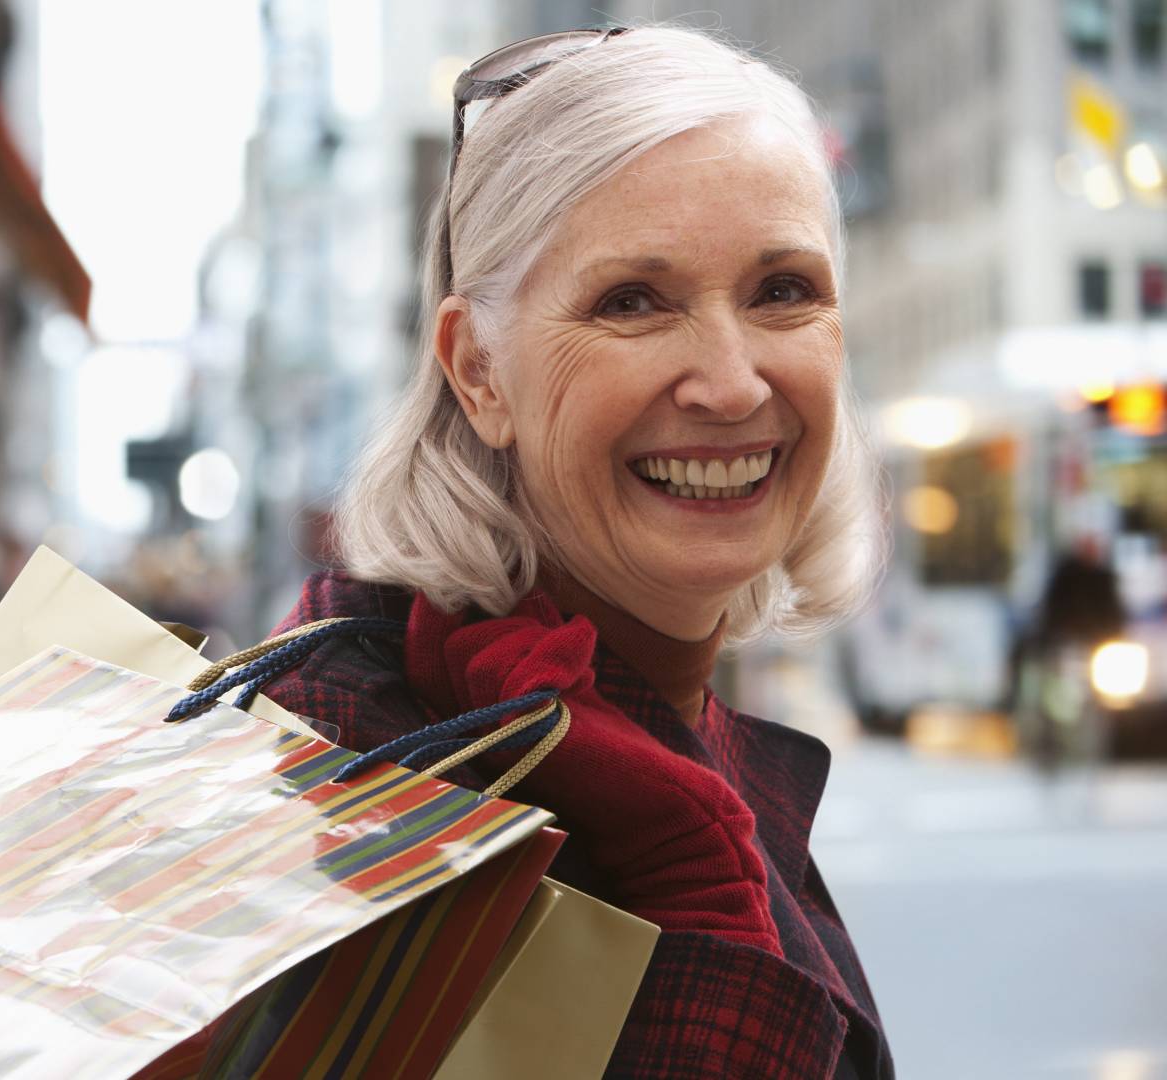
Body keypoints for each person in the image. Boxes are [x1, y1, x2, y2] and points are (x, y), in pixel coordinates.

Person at [260, 25, 893, 1078]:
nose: (732, 384)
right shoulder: (347, 775)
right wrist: (692, 874)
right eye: (631, 302)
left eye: (782, 290)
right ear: (478, 374)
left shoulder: (674, 731)